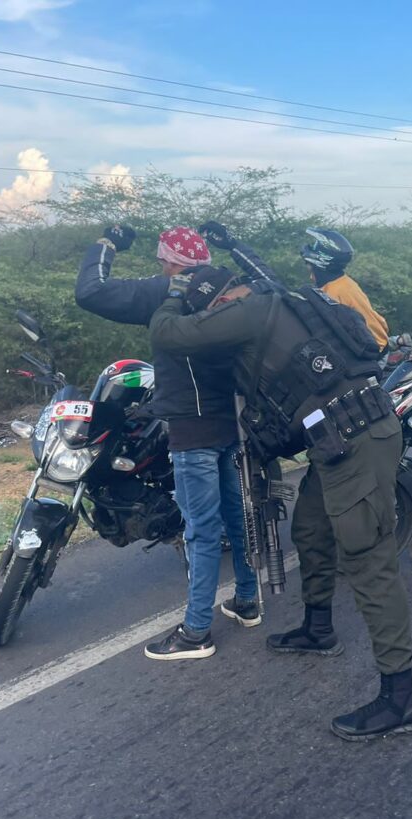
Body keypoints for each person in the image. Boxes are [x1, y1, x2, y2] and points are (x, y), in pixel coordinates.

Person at [151, 221, 412, 742]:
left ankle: (400, 698)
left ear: (221, 300)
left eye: (213, 310)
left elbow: (170, 334)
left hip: (358, 439)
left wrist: (174, 292)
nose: (216, 319)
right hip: (341, 436)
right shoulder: (282, 298)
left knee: (368, 564)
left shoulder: (247, 312)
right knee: (312, 529)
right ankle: (318, 628)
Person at [75, 224, 261, 661]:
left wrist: (107, 244)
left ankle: (197, 632)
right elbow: (273, 284)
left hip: (191, 430)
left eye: (163, 260)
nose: (161, 267)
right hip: (232, 424)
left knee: (199, 529)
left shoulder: (166, 290)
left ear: (173, 261)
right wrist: (236, 242)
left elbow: (91, 291)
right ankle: (248, 602)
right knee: (236, 517)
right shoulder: (235, 288)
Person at [300, 227, 389, 350]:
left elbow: (372, 328)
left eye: (316, 246)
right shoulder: (334, 283)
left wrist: (376, 349)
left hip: (372, 350)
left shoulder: (340, 291)